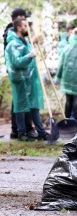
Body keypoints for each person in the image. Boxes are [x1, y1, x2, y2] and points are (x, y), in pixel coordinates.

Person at [5, 17, 50, 141]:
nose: (27, 28)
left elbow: (29, 53)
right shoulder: (13, 44)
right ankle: (21, 132)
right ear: (19, 28)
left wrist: (33, 45)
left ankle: (41, 131)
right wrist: (30, 56)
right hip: (20, 79)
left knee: (34, 106)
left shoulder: (25, 42)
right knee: (21, 106)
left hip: (30, 78)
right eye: (25, 26)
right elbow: (17, 62)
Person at [3, 8, 37, 139]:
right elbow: (14, 56)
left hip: (25, 72)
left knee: (23, 101)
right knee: (18, 103)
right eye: (24, 17)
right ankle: (18, 130)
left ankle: (24, 129)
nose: (26, 21)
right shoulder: (11, 34)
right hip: (17, 73)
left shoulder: (20, 35)